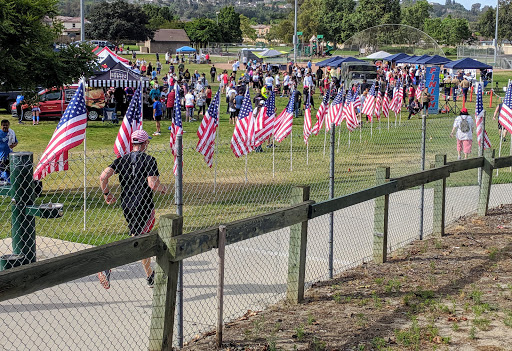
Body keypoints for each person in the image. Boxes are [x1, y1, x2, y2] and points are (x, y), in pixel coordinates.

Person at [98, 130, 169, 289]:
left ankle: (150, 275)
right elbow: (153, 184)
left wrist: (107, 194)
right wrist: (163, 188)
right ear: (145, 144)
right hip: (144, 205)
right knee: (137, 242)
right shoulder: (149, 160)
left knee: (138, 239)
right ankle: (108, 264)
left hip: (127, 205)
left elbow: (103, 177)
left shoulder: (121, 160)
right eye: (147, 142)